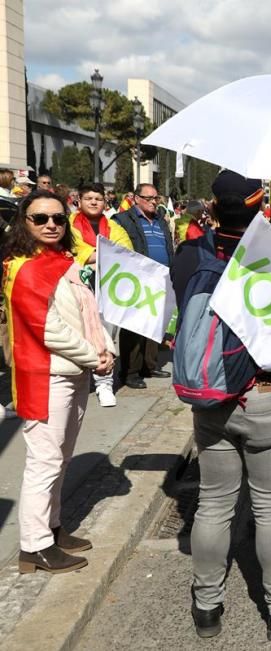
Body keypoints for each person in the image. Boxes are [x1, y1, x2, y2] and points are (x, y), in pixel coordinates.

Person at [172, 171, 271, 641]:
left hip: (211, 397)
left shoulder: (189, 254)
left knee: (213, 503)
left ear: (212, 209)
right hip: (262, 395)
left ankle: (206, 606)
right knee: (269, 504)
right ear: (262, 209)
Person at [3, 189, 115, 574]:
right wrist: (93, 355)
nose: (51, 224)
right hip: (45, 375)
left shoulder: (63, 261)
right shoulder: (24, 268)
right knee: (44, 461)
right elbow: (46, 329)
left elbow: (89, 312)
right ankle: (33, 546)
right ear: (24, 222)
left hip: (75, 371)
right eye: (40, 218)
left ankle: (51, 526)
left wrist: (106, 347)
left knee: (60, 457)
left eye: (57, 218)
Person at [71, 182, 133, 407]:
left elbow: (125, 250)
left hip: (109, 286)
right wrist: (103, 253)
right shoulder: (70, 224)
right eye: (89, 198)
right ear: (79, 200)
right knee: (79, 333)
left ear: (105, 202)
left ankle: (104, 382)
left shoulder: (114, 226)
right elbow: (75, 251)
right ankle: (80, 378)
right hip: (78, 286)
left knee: (106, 333)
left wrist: (96, 255)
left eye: (98, 199)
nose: (94, 202)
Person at [113, 184, 173, 388]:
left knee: (155, 324)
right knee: (134, 327)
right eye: (148, 198)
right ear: (136, 198)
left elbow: (168, 247)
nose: (153, 201)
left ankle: (150, 365)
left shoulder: (160, 220)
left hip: (160, 278)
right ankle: (129, 372)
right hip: (136, 279)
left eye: (156, 198)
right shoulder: (122, 220)